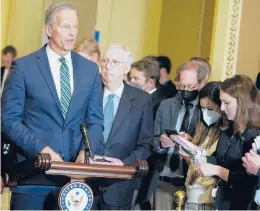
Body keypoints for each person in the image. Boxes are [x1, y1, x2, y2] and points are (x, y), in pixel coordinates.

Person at [1, 3, 103, 210]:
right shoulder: (24, 67)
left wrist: (85, 156)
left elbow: (95, 121)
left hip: (75, 181)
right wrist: (42, 150)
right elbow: (8, 120)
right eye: (66, 27)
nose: (72, 33)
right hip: (34, 176)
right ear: (48, 30)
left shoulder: (90, 70)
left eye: (75, 27)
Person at [90, 43, 154, 210]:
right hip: (86, 182)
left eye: (114, 62)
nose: (108, 66)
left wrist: (123, 163)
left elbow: (146, 144)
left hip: (118, 186)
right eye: (105, 61)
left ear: (126, 69)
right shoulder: (89, 94)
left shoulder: (141, 100)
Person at [147, 61, 209, 210]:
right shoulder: (167, 105)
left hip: (193, 185)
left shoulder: (206, 110)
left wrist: (191, 143)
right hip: (164, 182)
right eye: (181, 86)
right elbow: (151, 141)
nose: (185, 90)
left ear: (201, 83)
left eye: (190, 87)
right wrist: (161, 143)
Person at [198, 75, 260, 210]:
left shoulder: (254, 135)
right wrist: (196, 154)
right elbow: (218, 158)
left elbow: (249, 178)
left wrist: (218, 171)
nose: (221, 108)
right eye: (221, 102)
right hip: (223, 201)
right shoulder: (229, 129)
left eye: (226, 103)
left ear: (243, 102)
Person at [179, 81, 222, 210]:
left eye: (210, 109)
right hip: (191, 189)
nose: (205, 113)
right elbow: (194, 165)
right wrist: (188, 149)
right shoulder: (203, 128)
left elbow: (215, 166)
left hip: (207, 195)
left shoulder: (224, 134)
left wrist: (195, 154)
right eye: (202, 108)